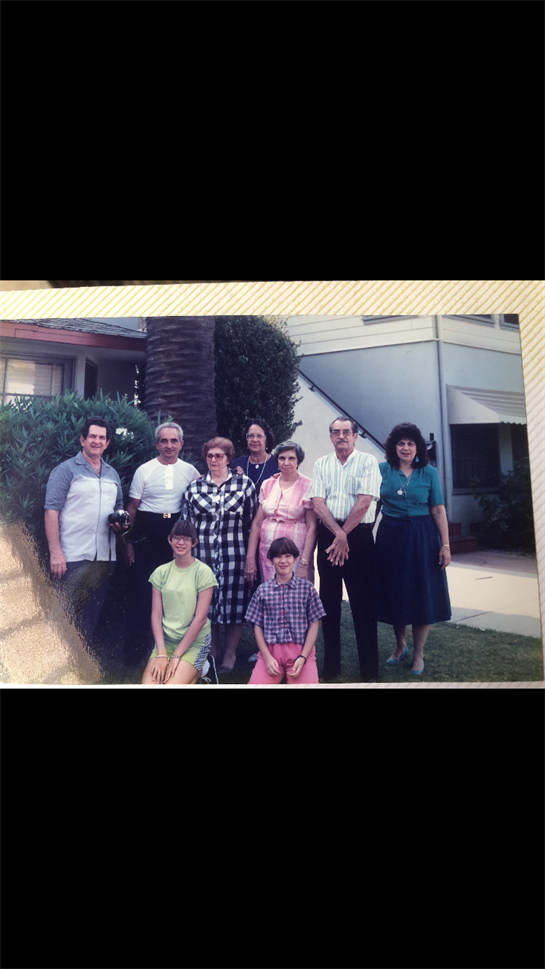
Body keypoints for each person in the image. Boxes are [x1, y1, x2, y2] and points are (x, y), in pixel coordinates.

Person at [44, 416, 128, 647]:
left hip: (103, 560)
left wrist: (119, 523)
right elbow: (51, 512)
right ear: (83, 440)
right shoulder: (65, 470)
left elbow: (118, 508)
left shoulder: (112, 474)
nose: (96, 441)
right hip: (72, 557)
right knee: (62, 618)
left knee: (87, 622)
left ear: (107, 443)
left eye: (102, 437)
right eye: (92, 436)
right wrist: (56, 553)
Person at [122, 422, 201, 666]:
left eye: (174, 441)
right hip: (147, 531)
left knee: (175, 595)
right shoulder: (144, 470)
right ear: (156, 444)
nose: (169, 445)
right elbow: (132, 508)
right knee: (142, 593)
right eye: (164, 441)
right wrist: (128, 541)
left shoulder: (190, 471)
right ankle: (134, 656)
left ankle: (172, 653)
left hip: (176, 534)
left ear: (181, 444)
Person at [376, 422, 451, 675]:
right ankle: (401, 646)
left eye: (410, 443)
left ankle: (418, 654)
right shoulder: (382, 470)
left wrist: (445, 546)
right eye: (401, 443)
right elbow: (372, 504)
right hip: (390, 535)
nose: (405, 448)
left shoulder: (428, 472)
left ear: (418, 447)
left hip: (422, 537)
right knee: (395, 592)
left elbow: (438, 510)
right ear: (393, 447)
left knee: (421, 594)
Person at [310, 417, 381, 682]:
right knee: (329, 602)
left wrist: (344, 534)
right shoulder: (321, 464)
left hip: (359, 537)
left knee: (363, 604)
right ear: (331, 436)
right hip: (329, 535)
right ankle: (331, 668)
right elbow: (318, 502)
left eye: (346, 432)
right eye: (336, 432)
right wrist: (338, 534)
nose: (341, 436)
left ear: (355, 436)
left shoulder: (368, 462)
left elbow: (365, 502)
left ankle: (369, 671)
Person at [180, 437, 258, 674]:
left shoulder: (244, 485)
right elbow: (187, 525)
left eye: (219, 456)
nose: (214, 460)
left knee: (235, 604)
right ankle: (213, 652)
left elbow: (252, 523)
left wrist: (250, 558)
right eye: (210, 456)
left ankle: (230, 654)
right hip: (203, 557)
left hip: (234, 555)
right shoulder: (194, 488)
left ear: (228, 458)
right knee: (208, 605)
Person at [142, 520, 218, 685]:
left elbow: (200, 619)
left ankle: (202, 668)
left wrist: (176, 656)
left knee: (172, 685)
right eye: (177, 537)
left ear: (194, 542)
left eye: (186, 539)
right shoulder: (160, 572)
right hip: (167, 641)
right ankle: (192, 674)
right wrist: (162, 654)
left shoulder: (203, 572)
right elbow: (156, 615)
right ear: (169, 540)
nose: (181, 542)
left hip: (195, 642)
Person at [246, 537, 326, 685]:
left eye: (288, 556)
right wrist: (267, 657)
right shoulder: (262, 591)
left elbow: (314, 623)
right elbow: (257, 626)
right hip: (271, 653)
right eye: (278, 556)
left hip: (301, 653)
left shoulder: (307, 589)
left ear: (295, 559)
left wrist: (303, 657)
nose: (283, 561)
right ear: (271, 561)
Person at [244, 441, 317, 586]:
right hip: (268, 551)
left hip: (295, 553)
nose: (286, 462)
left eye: (291, 458)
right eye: (282, 458)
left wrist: (304, 564)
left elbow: (312, 527)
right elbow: (257, 523)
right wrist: (250, 558)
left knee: (296, 591)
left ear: (298, 461)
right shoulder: (268, 484)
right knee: (271, 591)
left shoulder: (308, 485)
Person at [231, 418, 278, 495]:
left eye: (259, 436)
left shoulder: (278, 464)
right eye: (250, 436)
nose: (255, 440)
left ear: (267, 440)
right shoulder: (236, 464)